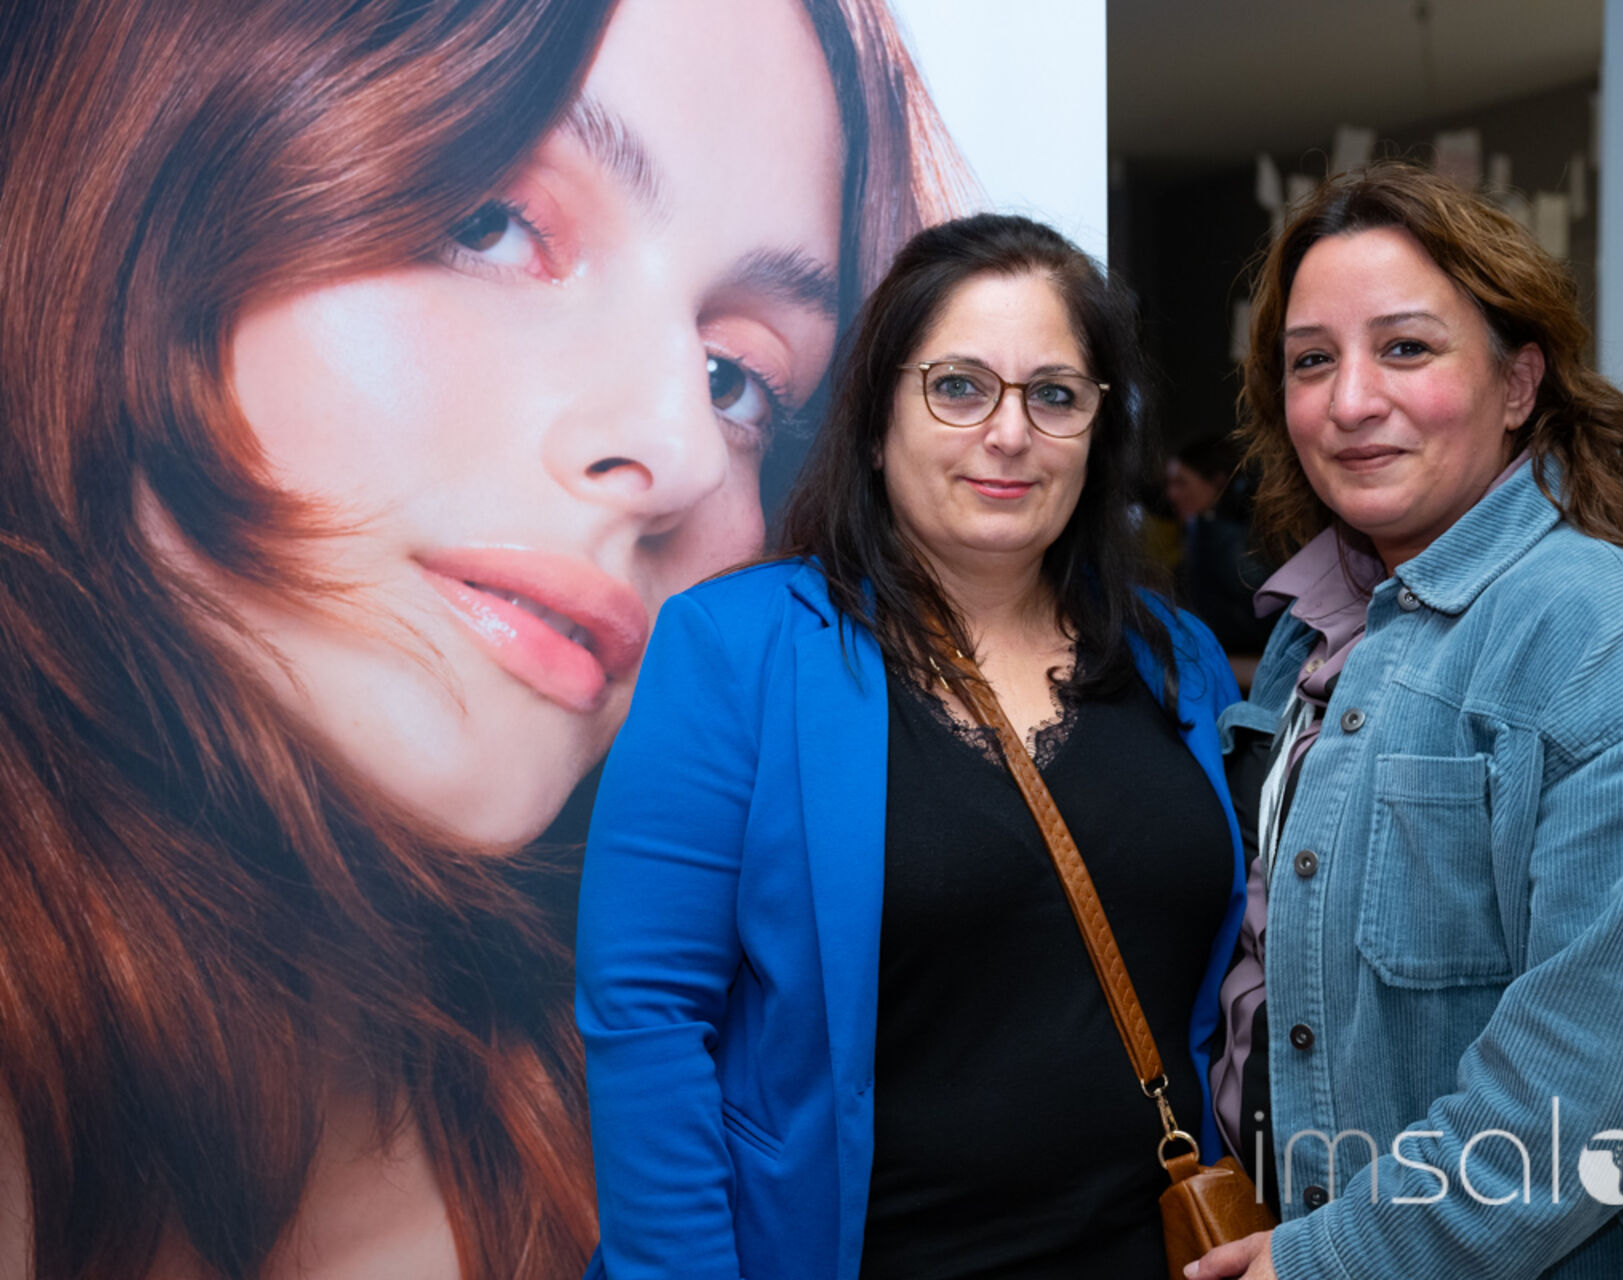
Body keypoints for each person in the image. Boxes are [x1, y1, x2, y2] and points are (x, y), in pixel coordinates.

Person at [0, 1, 966, 1275]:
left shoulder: (689, 1121)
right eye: (491, 223)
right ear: (130, 155)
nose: (682, 449)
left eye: (738, 379)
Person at [1191, 163, 1623, 1279]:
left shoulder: (1607, 637)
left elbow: (1588, 1088)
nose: (1351, 399)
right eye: (1312, 360)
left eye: (1406, 348)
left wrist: (1332, 1258)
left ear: (1519, 382)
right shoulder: (1310, 636)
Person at [576, 213, 1248, 1280]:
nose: (1010, 432)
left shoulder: (1182, 660)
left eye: (1055, 395)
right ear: (879, 418)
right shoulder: (737, 649)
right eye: (959, 387)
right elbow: (646, 1017)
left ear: (1097, 430)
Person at [1166, 435, 1274, 678]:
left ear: (1217, 482)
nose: (1171, 494)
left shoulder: (1231, 540)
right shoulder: (1201, 533)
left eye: (1182, 483)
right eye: (1170, 484)